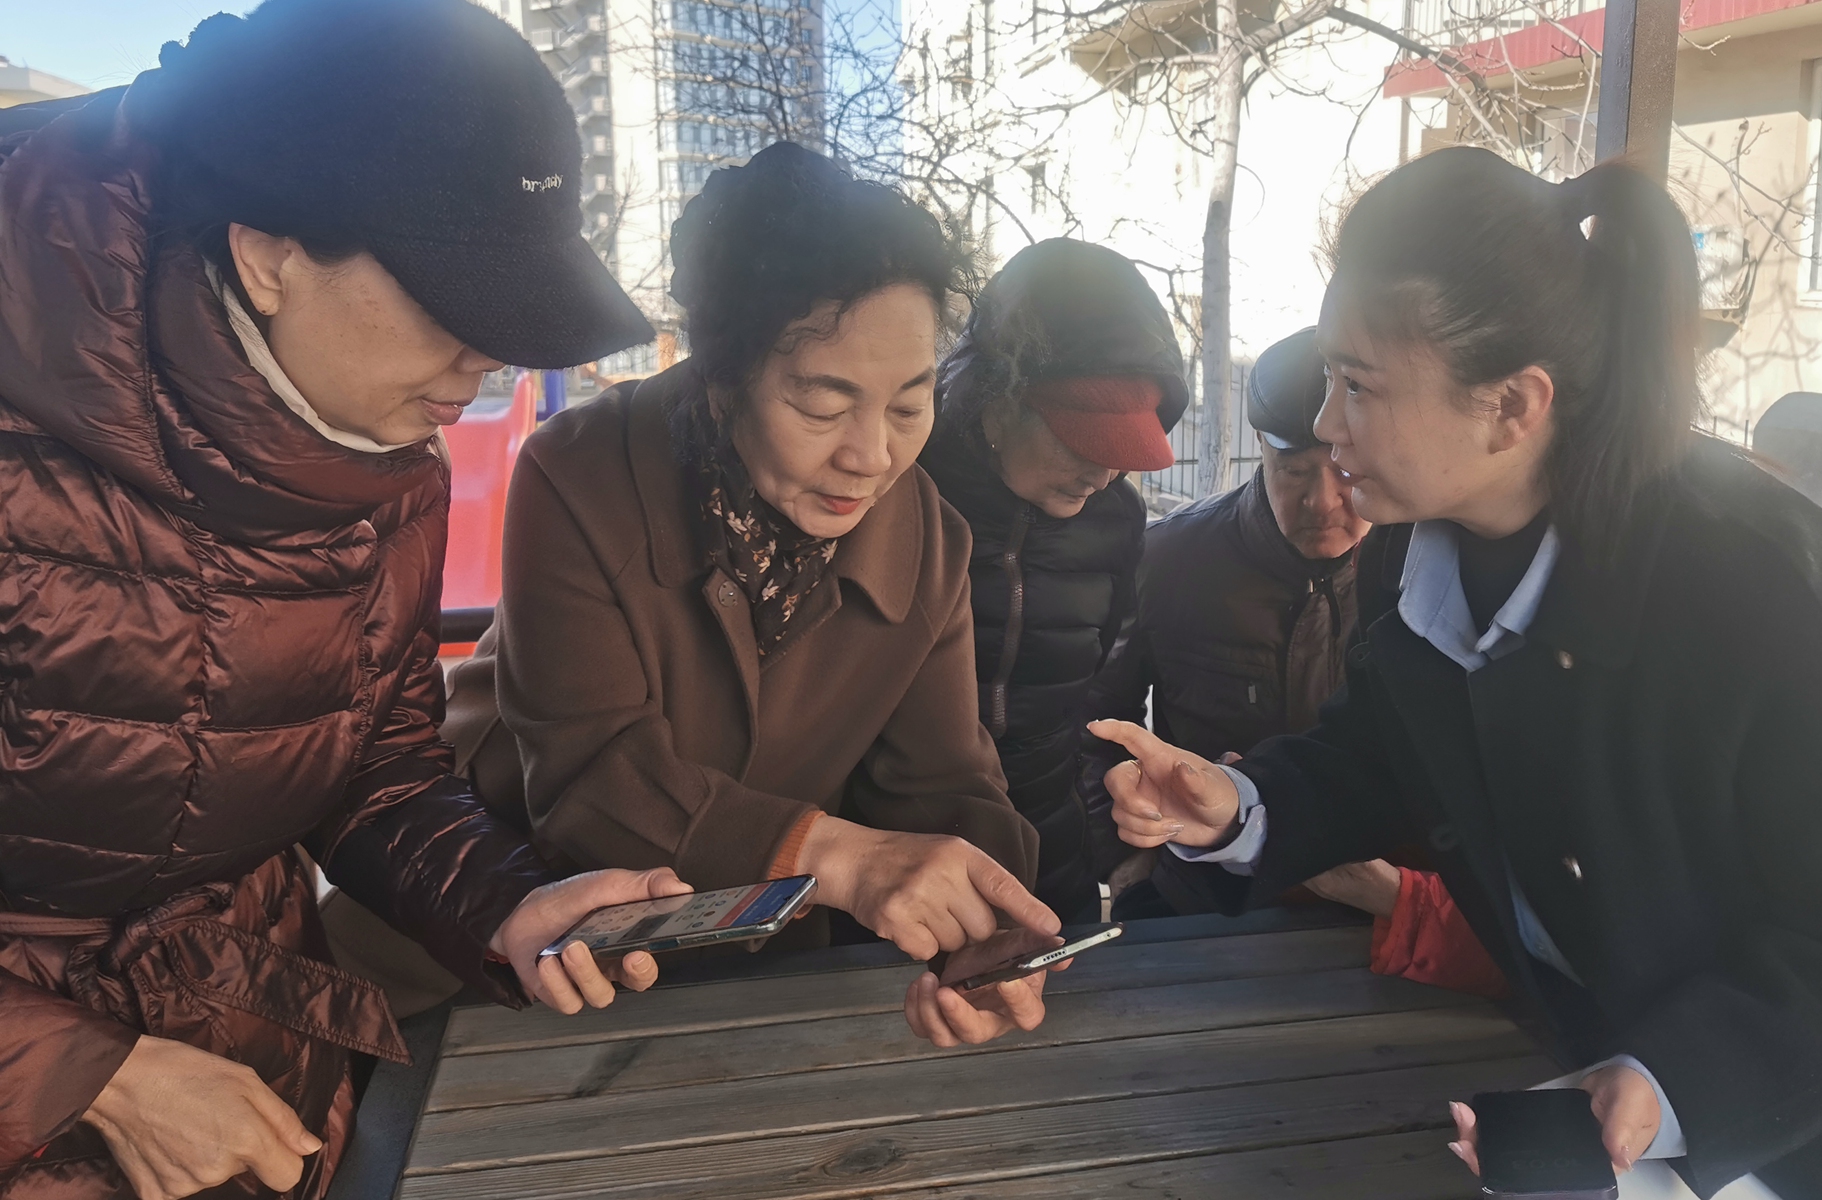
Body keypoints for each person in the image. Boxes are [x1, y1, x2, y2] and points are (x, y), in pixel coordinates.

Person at [1095, 148, 1822, 1200]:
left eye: (1358, 385)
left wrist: (1667, 1085)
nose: (1327, 425)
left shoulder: (1770, 591)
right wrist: (1238, 804)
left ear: (1511, 406)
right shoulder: (1420, 543)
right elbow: (1384, 748)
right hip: (1610, 1095)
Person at [0, 4, 697, 1198]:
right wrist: (89, 1075)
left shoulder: (390, 468)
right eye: (452, 297)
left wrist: (506, 905)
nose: (489, 361)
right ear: (269, 252)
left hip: (254, 1076)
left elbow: (373, 762)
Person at [442, 143, 1062, 1051]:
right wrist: (843, 858)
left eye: (908, 405)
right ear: (723, 379)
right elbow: (592, 778)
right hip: (529, 936)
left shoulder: (927, 534)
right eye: (823, 405)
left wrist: (987, 937)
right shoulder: (576, 474)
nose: (872, 456)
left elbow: (944, 782)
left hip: (760, 958)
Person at [1080, 327, 1506, 998]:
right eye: (1295, 472)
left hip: (1382, 917)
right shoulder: (1169, 559)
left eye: (1341, 473)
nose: (1322, 503)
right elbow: (1098, 725)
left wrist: (1414, 900)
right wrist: (1128, 852)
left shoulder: (1422, 568)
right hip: (1203, 901)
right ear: (1260, 453)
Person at [920, 238, 1188, 924]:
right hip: (910, 860)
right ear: (999, 403)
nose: (1102, 474)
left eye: (1122, 453)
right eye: (1083, 441)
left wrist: (1111, 843)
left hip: (1050, 855)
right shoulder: (899, 493)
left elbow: (1098, 704)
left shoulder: (1116, 520)